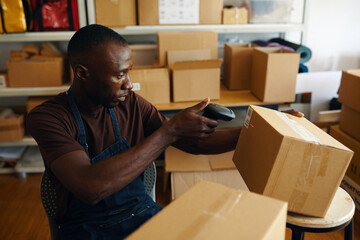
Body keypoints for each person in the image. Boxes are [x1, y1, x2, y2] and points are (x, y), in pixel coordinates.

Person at [27, 24, 302, 239]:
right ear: (82, 73)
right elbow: (91, 188)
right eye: (120, 75)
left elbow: (194, 143)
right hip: (86, 229)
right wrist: (169, 132)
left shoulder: (130, 103)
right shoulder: (49, 118)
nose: (129, 84)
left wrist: (263, 129)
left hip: (142, 213)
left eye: (129, 73)